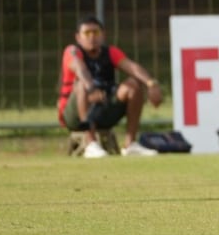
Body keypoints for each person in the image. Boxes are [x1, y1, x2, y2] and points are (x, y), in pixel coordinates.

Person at [58, 15, 165, 158]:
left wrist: (151, 84)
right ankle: (90, 143)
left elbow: (131, 67)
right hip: (75, 115)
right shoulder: (72, 51)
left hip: (103, 107)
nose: (92, 37)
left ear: (103, 35)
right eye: (87, 33)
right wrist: (91, 88)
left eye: (95, 33)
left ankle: (130, 144)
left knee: (133, 85)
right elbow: (79, 68)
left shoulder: (110, 52)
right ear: (78, 37)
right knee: (81, 85)